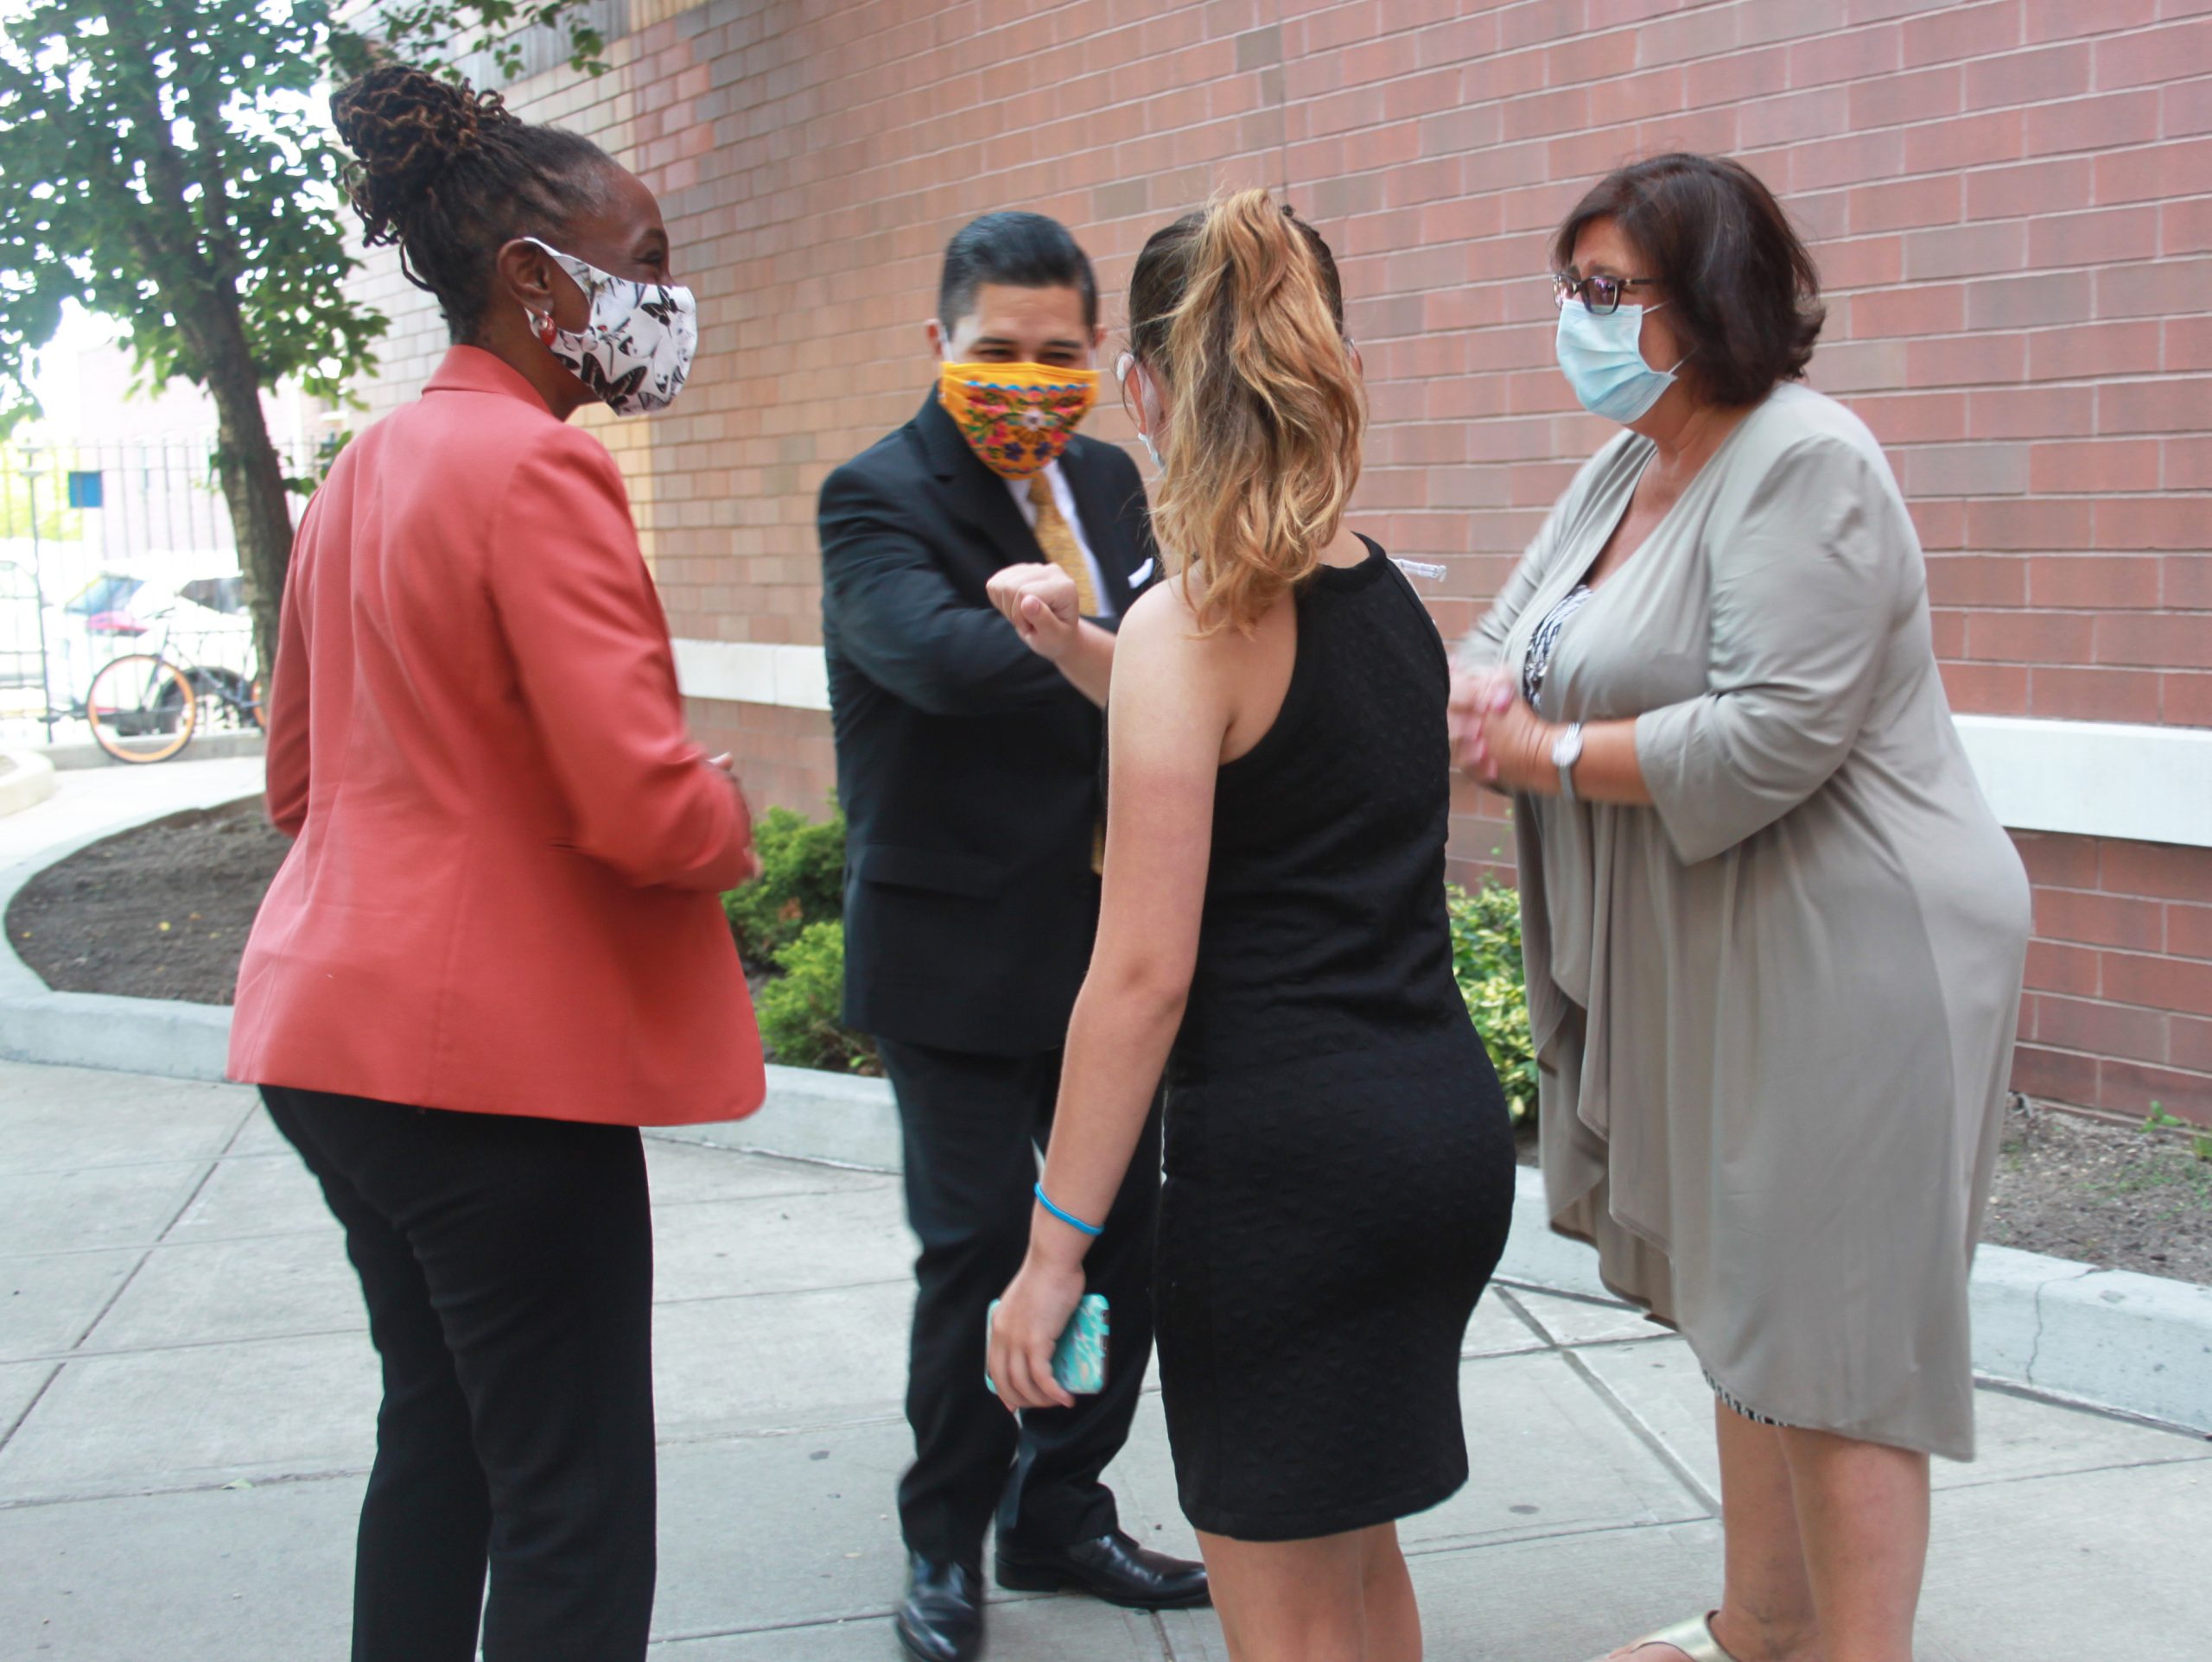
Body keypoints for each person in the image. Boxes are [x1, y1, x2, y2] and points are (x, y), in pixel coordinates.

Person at [1452, 153, 2031, 1662]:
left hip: (1855, 944)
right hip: (1724, 937)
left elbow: (1781, 728)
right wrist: (1475, 697)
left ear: (1708, 296)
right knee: (1746, 1299)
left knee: (1834, 1337)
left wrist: (1551, 750)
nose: (1572, 320)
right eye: (1565, 289)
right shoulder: (1629, 464)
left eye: (1604, 291)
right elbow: (1508, 638)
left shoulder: (1804, 457)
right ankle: (1759, 1626)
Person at [229, 66, 763, 1662]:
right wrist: (727, 811)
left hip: (328, 1040)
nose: (667, 296)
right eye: (648, 258)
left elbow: (293, 776)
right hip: (490, 1082)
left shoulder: (360, 472)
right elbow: (645, 806)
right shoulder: (541, 468)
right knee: (575, 1501)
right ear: (539, 282)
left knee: (445, 1442)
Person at [988, 191, 1517, 1662]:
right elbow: (1269, 756)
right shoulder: (1377, 588)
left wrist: (1054, 1254)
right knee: (1357, 1570)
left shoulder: (1200, 619)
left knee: (1285, 1621)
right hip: (1431, 1142)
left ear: (1147, 390)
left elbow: (1141, 979)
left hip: (1290, 1182)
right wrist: (1081, 651)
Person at [817, 211, 1206, 1662]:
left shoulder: (1111, 479)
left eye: (1058, 353)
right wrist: (1117, 652)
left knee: (1120, 1247)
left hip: (1109, 947)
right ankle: (944, 1540)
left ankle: (1061, 1507)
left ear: (1100, 353)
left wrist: (1132, 651)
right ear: (939, 345)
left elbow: (1192, 659)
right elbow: (932, 653)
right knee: (980, 1248)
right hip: (952, 957)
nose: (1027, 379)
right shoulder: (874, 497)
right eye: (995, 352)